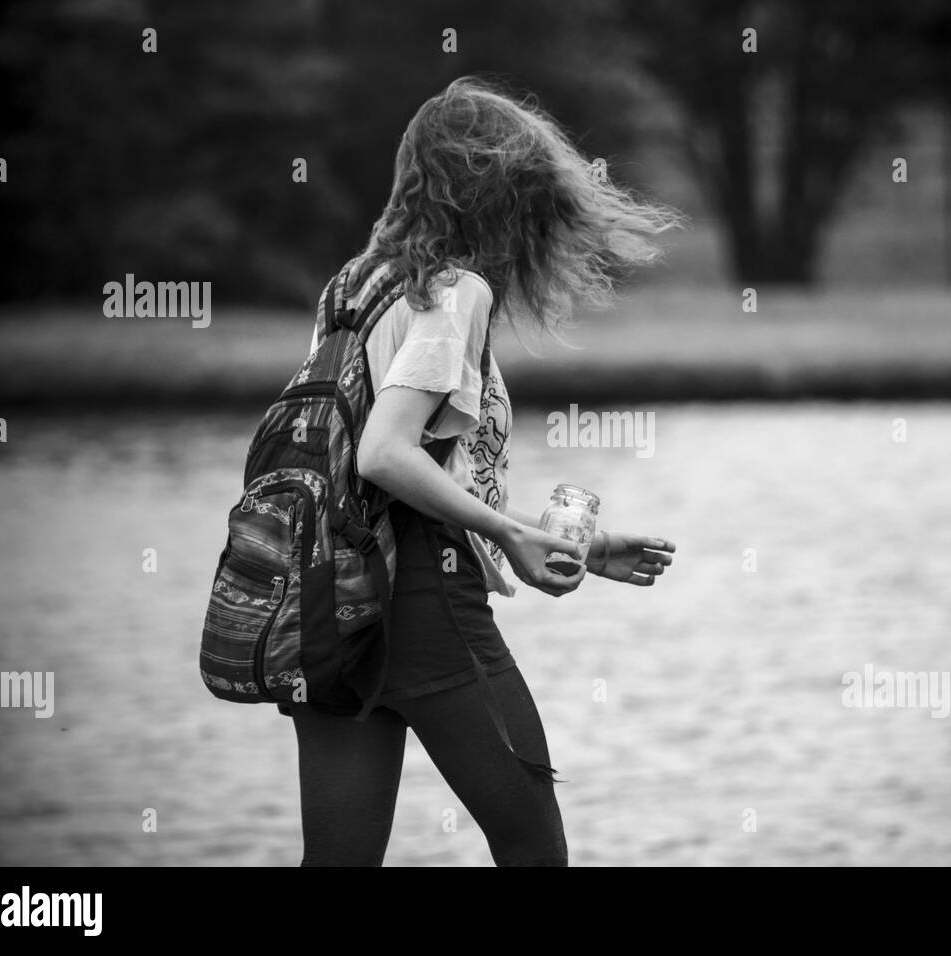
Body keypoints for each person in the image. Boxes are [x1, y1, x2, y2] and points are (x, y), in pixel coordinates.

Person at [288, 76, 679, 867]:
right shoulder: (453, 293)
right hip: (427, 610)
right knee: (536, 851)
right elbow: (385, 454)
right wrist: (507, 533)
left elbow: (405, 477)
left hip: (334, 603)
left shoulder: (354, 286)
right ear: (494, 194)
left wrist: (579, 546)